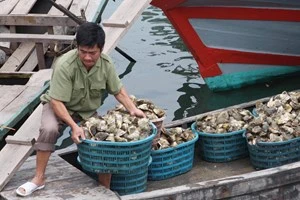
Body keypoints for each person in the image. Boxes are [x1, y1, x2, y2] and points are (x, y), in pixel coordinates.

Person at [16, 22, 145, 197]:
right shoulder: (64, 65)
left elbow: (118, 91)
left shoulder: (106, 65)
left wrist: (133, 109)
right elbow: (57, 101)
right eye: (83, 52)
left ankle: (104, 187)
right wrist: (74, 126)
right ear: (77, 47)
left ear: (101, 49)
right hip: (59, 106)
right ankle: (38, 178)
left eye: (92, 53)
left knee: (104, 139)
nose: (87, 57)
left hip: (86, 110)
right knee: (49, 129)